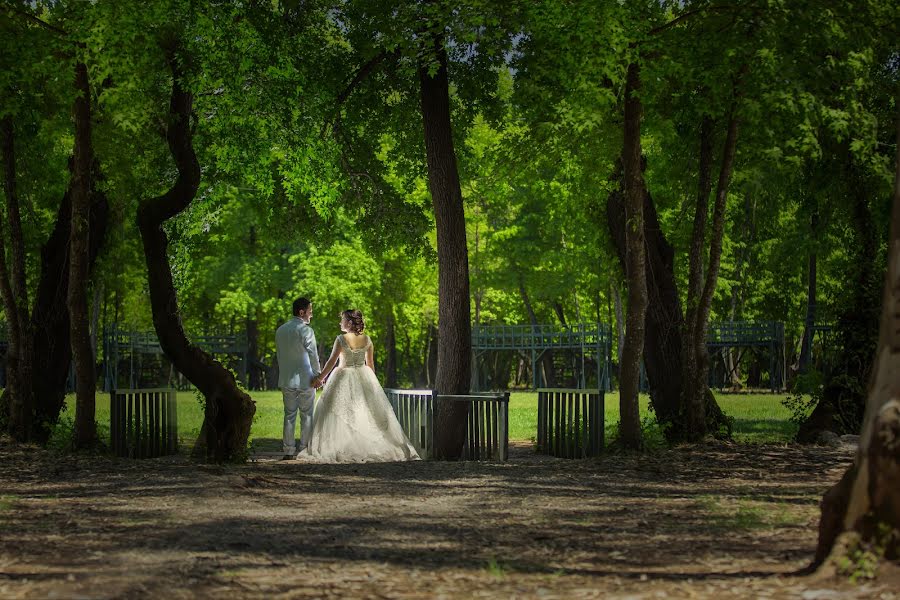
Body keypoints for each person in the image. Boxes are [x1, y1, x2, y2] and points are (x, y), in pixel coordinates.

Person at [299, 309, 419, 463]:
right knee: (364, 413)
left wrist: (320, 379)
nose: (340, 322)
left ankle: (344, 445)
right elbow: (370, 365)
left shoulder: (341, 339)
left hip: (343, 376)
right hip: (364, 376)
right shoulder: (367, 340)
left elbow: (331, 362)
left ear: (349, 323)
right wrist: (373, 386)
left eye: (342, 319)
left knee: (340, 412)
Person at [275, 297, 321, 460]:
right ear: (301, 312)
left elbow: (280, 356)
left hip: (286, 379)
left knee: (289, 415)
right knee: (307, 415)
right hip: (305, 379)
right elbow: (313, 355)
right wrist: (318, 375)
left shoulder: (280, 330)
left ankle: (288, 450)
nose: (311, 315)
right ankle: (303, 449)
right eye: (310, 311)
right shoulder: (306, 331)